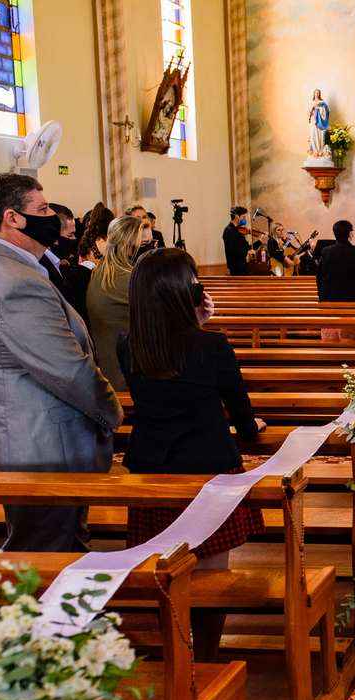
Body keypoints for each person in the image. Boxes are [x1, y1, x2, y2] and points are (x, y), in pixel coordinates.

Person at [0, 173, 121, 551]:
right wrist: (111, 412)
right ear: (13, 218)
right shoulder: (15, 281)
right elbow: (67, 368)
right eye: (43, 208)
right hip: (43, 448)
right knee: (45, 553)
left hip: (14, 438)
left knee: (53, 549)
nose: (52, 216)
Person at [117, 248, 261, 662]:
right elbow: (245, 422)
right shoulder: (212, 347)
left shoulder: (128, 347)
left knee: (164, 573)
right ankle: (205, 660)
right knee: (211, 581)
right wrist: (202, 328)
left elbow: (170, 361)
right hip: (208, 474)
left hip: (154, 474)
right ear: (188, 292)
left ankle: (177, 654)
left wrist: (193, 325)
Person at [87, 215, 155, 392]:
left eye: (151, 244)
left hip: (113, 373)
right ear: (124, 245)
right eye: (143, 247)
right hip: (134, 379)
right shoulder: (131, 278)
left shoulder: (101, 270)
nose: (150, 251)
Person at [316, 219, 355, 341]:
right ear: (350, 233)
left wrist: (321, 297)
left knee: (330, 337)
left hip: (330, 301)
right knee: (352, 338)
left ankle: (330, 356)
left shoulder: (326, 252)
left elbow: (319, 276)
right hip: (353, 300)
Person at [223, 206, 252, 276]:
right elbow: (230, 248)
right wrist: (246, 252)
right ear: (236, 216)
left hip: (242, 264)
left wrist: (260, 241)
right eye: (243, 217)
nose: (244, 220)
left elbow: (246, 247)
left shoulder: (239, 230)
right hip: (235, 265)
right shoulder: (229, 231)